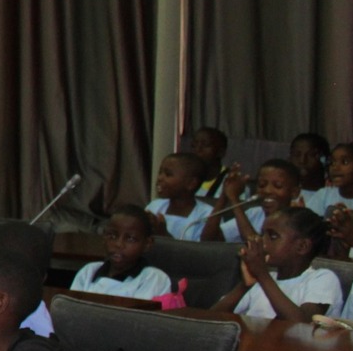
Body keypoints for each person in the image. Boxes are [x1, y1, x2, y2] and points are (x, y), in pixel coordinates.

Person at [213, 207, 342, 320]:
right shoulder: (262, 280)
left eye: (273, 236)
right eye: (262, 234)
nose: (262, 241)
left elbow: (303, 325)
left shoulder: (322, 278)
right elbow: (210, 318)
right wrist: (245, 285)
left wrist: (262, 275)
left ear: (302, 246)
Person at [68, 205, 172, 299]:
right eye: (112, 236)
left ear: (147, 244)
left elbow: (136, 318)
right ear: (104, 237)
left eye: (130, 239)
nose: (119, 244)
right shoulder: (88, 272)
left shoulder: (154, 278)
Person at [144, 152, 211, 240]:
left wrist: (163, 233)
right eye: (160, 172)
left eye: (168, 174)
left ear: (191, 183)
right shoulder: (155, 206)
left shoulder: (206, 215)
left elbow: (197, 252)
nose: (160, 178)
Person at [190, 125, 232, 198]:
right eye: (194, 145)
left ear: (221, 152)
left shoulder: (232, 182)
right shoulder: (183, 178)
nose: (198, 149)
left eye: (205, 145)